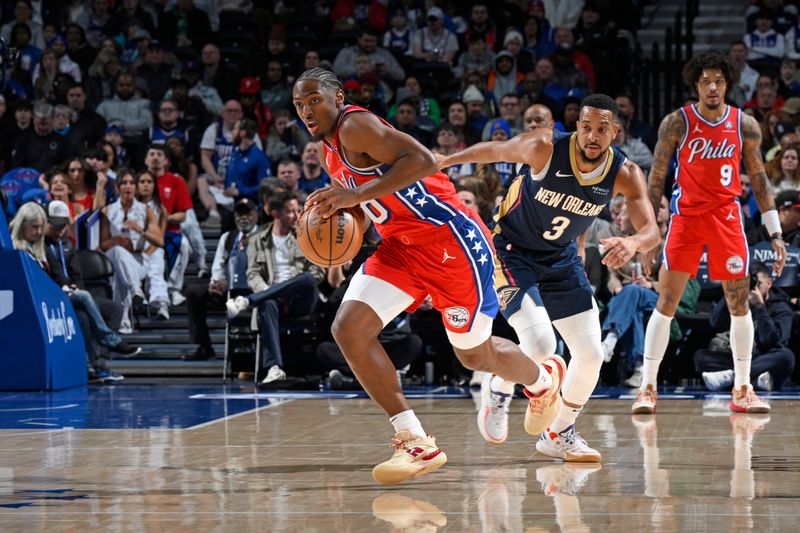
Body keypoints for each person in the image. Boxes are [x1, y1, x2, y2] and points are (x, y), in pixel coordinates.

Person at [293, 67, 566, 485]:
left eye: (315, 100)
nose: (307, 110)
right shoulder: (331, 149)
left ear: (338, 99)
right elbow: (369, 204)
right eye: (299, 104)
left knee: (474, 355)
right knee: (348, 329)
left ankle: (543, 380)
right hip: (401, 246)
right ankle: (415, 440)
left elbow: (421, 161)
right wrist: (345, 232)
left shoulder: (355, 125)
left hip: (451, 242)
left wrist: (357, 195)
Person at [437, 94, 659, 462]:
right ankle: (501, 385)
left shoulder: (626, 173)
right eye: (586, 127)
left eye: (602, 130)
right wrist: (447, 159)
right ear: (577, 126)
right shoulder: (546, 146)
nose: (592, 136)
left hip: (562, 259)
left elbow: (651, 229)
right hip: (511, 250)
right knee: (541, 345)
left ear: (615, 132)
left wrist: (633, 242)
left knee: (589, 355)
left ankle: (560, 432)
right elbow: (496, 149)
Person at [634, 51, 787, 415]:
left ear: (728, 84)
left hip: (726, 219)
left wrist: (775, 232)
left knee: (739, 302)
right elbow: (655, 179)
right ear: (696, 85)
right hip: (686, 218)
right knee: (666, 302)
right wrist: (647, 232)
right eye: (706, 81)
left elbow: (761, 178)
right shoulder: (677, 123)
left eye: (719, 80)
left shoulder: (744, 124)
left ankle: (743, 387)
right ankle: (647, 388)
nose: (713, 87)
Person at [225, 192, 324, 384]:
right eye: (290, 212)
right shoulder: (257, 239)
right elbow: (253, 274)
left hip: (301, 300)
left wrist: (285, 292)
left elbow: (317, 272)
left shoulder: (307, 236)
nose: (297, 216)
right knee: (267, 303)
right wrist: (270, 292)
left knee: (307, 279)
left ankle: (247, 301)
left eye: (298, 210)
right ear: (275, 214)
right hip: (272, 301)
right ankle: (274, 368)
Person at [695, 262, 795, 392]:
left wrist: (760, 307)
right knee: (700, 356)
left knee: (786, 357)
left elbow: (772, 342)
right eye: (747, 284)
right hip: (738, 358)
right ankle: (755, 380)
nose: (751, 288)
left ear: (769, 283)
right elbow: (715, 322)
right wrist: (731, 291)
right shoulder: (739, 299)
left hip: (763, 358)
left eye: (757, 284)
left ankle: (732, 376)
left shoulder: (781, 308)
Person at [183, 198, 260, 361]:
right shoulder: (228, 237)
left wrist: (230, 282)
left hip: (254, 293)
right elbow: (218, 265)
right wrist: (216, 283)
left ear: (256, 215)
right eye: (240, 213)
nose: (243, 217)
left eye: (248, 213)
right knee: (194, 292)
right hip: (228, 293)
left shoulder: (264, 236)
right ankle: (204, 346)